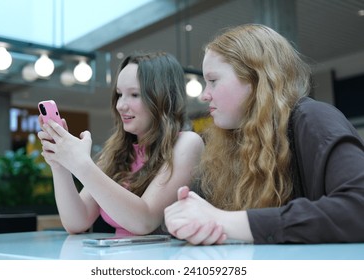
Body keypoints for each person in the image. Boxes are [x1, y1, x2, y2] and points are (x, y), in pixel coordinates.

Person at [164, 23, 364, 244]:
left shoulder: (313, 117)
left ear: (255, 79)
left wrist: (223, 221)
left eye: (213, 81)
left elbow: (358, 206)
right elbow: (201, 214)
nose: (205, 95)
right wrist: (185, 219)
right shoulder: (229, 141)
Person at [38, 51, 204, 236]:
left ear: (162, 98)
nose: (120, 105)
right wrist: (60, 164)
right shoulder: (117, 151)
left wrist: (82, 164)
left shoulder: (187, 143)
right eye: (119, 94)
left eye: (134, 94)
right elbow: (77, 222)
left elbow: (145, 221)